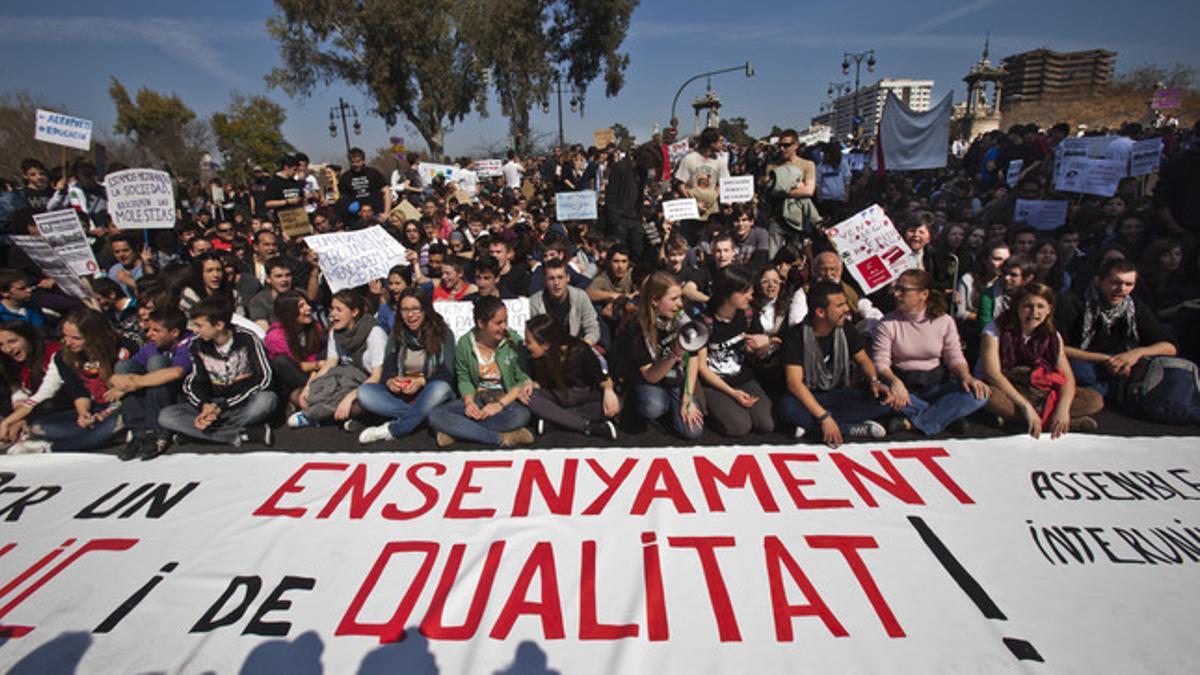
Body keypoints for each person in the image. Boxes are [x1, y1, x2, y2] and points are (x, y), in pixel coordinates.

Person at [1056, 259, 1198, 424]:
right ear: (1098, 281)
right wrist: (1106, 360)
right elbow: (1055, 346)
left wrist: (1135, 354)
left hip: (1121, 365)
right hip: (1083, 362)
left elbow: (1170, 346)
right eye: (1115, 283)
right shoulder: (1072, 302)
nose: (1122, 289)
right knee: (1083, 373)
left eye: (1128, 284)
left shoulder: (1133, 306)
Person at [873, 269, 991, 435]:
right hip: (904, 386)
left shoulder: (944, 321)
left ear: (924, 294)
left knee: (978, 394)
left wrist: (966, 376)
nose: (897, 294)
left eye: (903, 290)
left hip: (936, 384)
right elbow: (881, 362)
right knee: (881, 394)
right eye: (896, 289)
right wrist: (895, 382)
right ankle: (944, 417)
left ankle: (914, 422)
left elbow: (954, 355)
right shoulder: (887, 323)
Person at [777, 281, 894, 446]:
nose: (846, 309)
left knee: (883, 400)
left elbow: (864, 360)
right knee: (787, 408)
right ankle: (848, 429)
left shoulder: (845, 328)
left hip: (837, 392)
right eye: (840, 305)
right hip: (810, 396)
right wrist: (824, 418)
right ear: (820, 312)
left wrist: (874, 381)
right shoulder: (796, 335)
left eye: (845, 303)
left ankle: (810, 427)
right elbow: (794, 383)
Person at [979, 283, 1102, 438]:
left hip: (1040, 388)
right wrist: (1026, 407)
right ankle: (1049, 422)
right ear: (1017, 306)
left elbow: (1067, 377)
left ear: (1049, 309)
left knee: (1094, 400)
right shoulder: (995, 329)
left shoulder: (1052, 335)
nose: (1034, 312)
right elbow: (993, 373)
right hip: (1009, 387)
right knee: (986, 397)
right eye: (1028, 306)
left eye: (1040, 306)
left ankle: (1033, 420)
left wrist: (1062, 409)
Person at [1, 308, 126, 454]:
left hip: (121, 408)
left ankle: (50, 448)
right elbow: (79, 391)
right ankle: (107, 437)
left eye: (76, 338)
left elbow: (129, 389)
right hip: (94, 409)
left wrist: (107, 412)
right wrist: (83, 412)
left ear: (94, 336)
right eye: (65, 336)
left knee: (116, 423)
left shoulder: (122, 350)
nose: (67, 342)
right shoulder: (64, 357)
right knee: (38, 427)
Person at [158, 296, 276, 448]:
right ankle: (241, 434)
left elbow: (264, 379)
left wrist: (224, 407)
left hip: (244, 402)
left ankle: (198, 435)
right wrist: (204, 405)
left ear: (219, 325)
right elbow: (194, 381)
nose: (195, 330)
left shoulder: (247, 339)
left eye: (200, 326)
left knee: (266, 401)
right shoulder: (196, 344)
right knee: (166, 416)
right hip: (215, 402)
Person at [428, 296, 534, 447]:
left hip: (505, 398)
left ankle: (458, 432)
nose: (504, 326)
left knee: (521, 416)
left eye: (506, 320)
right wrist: (470, 403)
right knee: (435, 415)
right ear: (481, 323)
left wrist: (499, 405)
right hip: (478, 397)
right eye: (498, 323)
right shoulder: (465, 344)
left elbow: (521, 378)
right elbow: (464, 379)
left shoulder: (513, 340)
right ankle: (501, 437)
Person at [357, 290, 457, 444]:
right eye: (405, 310)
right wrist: (391, 381)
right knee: (365, 392)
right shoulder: (397, 334)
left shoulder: (443, 333)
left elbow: (447, 373)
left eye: (415, 309)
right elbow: (387, 371)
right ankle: (424, 418)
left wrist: (421, 381)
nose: (410, 315)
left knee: (440, 388)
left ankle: (394, 429)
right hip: (404, 395)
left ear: (425, 309)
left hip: (430, 391)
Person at [289, 290, 387, 429]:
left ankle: (315, 416)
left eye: (339, 310)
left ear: (354, 312)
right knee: (297, 395)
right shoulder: (335, 332)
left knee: (359, 405)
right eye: (332, 309)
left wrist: (350, 397)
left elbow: (377, 376)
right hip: (342, 381)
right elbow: (330, 364)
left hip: (367, 385)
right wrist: (309, 386)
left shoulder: (374, 333)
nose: (332, 314)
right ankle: (331, 417)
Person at [697, 267, 775, 436]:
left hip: (742, 377)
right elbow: (702, 368)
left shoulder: (748, 315)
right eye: (745, 291)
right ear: (727, 292)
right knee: (739, 426)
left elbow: (760, 355)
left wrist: (764, 344)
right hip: (714, 383)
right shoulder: (704, 321)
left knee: (766, 423)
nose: (751, 296)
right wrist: (732, 393)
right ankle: (708, 409)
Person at [107, 307, 192, 459]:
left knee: (157, 363)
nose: (149, 334)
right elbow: (123, 373)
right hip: (154, 395)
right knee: (123, 366)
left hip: (180, 397)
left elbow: (176, 372)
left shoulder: (189, 343)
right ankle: (139, 433)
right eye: (149, 329)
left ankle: (159, 433)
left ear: (174, 333)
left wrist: (135, 383)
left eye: (156, 330)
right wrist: (120, 383)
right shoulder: (152, 346)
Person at [627, 271, 704, 439]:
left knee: (693, 431)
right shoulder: (637, 327)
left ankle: (672, 405)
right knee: (652, 407)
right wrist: (675, 353)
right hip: (651, 377)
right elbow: (650, 375)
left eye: (680, 298)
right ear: (655, 300)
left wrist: (687, 398)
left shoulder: (684, 315)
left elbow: (693, 358)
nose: (680, 304)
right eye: (674, 299)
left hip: (676, 376)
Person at [519, 314, 619, 439]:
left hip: (584, 396)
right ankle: (588, 426)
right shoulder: (536, 358)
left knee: (611, 405)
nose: (525, 344)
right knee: (530, 397)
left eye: (529, 342)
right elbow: (541, 384)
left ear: (546, 345)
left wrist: (609, 391)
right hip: (558, 396)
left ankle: (556, 421)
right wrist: (529, 383)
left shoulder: (580, 350)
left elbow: (602, 378)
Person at [0, 321, 59, 446]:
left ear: (28, 337)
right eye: (1, 344)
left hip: (59, 402)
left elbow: (46, 392)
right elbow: (19, 392)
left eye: (12, 341)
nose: (8, 349)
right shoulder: (10, 361)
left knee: (45, 411)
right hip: (32, 407)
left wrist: (8, 421)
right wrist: (18, 418)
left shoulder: (53, 352)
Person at [264, 291, 325, 408]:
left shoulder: (314, 327)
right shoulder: (276, 336)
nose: (308, 308)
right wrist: (319, 364)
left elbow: (317, 353)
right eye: (301, 306)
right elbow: (296, 365)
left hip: (313, 373)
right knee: (281, 361)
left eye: (307, 304)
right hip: (292, 377)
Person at [530, 259, 600, 344]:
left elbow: (592, 327)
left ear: (568, 278)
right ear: (545, 281)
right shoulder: (535, 302)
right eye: (551, 278)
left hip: (575, 346)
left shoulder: (580, 296)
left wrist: (585, 344)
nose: (556, 283)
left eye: (560, 277)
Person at [338, 147, 391, 217]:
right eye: (353, 162)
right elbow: (343, 198)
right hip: (356, 217)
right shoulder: (345, 177)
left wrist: (386, 213)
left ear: (363, 161)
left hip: (376, 214)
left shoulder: (373, 173)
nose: (356, 165)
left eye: (358, 161)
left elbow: (386, 192)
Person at [246, 258, 295, 331]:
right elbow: (264, 333)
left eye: (288, 275)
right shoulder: (259, 302)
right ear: (268, 279)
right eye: (279, 276)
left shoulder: (301, 295)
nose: (284, 280)